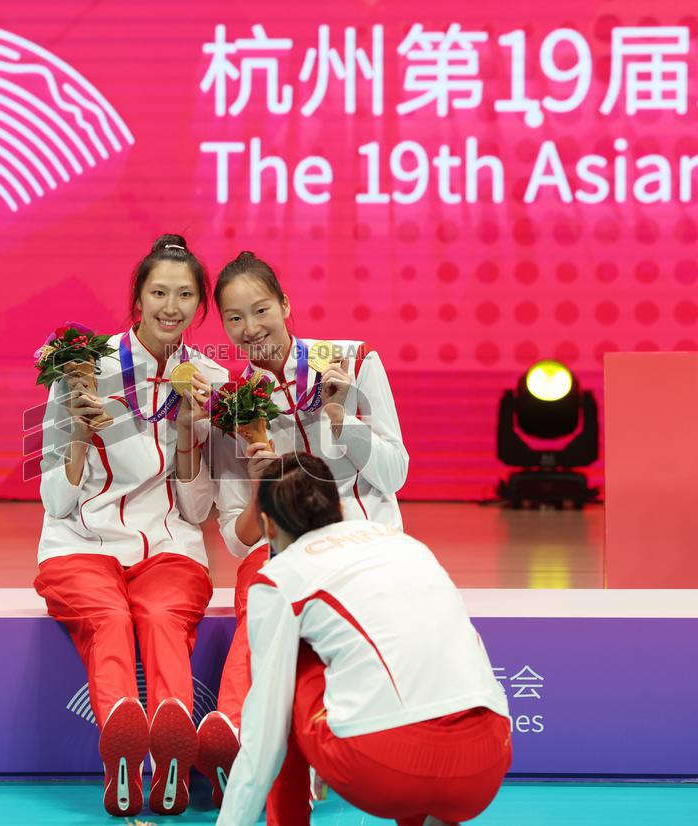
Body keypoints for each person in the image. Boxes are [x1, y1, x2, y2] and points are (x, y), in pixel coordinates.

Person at [176, 251, 409, 804]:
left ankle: (284, 749)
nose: (251, 328)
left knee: (301, 598)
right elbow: (236, 536)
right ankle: (233, 735)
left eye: (261, 310)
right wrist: (261, 484)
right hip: (284, 552)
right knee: (265, 585)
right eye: (234, 318)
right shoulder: (234, 403)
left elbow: (394, 473)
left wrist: (340, 419)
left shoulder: (350, 363)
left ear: (285, 305)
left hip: (362, 541)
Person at [34, 234, 224, 817]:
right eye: (159, 292)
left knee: (164, 616)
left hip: (169, 543)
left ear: (201, 306)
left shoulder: (210, 381)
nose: (172, 306)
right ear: (137, 299)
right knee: (109, 616)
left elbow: (196, 511)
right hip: (80, 544)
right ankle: (124, 739)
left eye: (186, 294)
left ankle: (171, 749)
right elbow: (56, 499)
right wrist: (75, 434)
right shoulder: (82, 370)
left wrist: (192, 431)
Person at [218, 453, 511, 826]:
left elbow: (264, 739)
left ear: (268, 527)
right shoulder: (407, 545)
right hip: (485, 764)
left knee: (286, 671)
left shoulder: (280, 577)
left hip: (383, 768)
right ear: (340, 507)